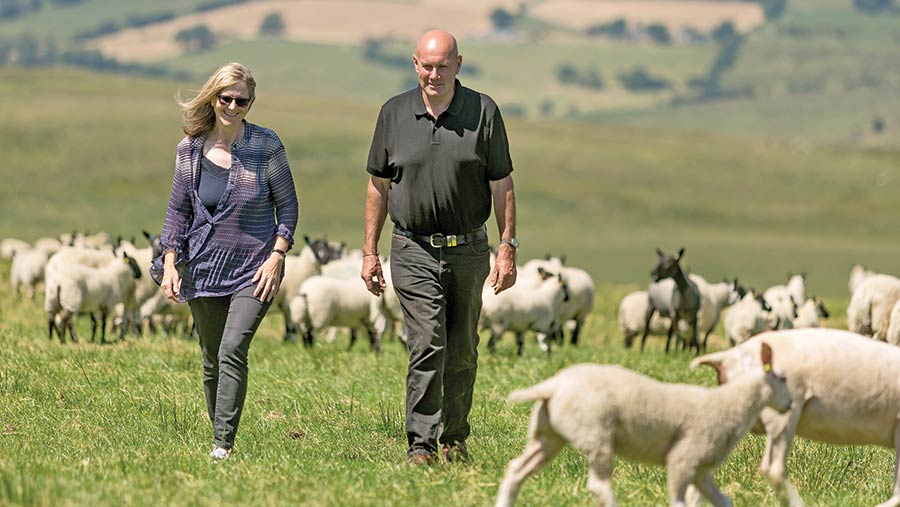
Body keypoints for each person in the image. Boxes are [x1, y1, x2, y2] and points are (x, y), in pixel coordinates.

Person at [360, 30, 518, 465]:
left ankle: (454, 438)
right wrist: (369, 251)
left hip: (469, 248)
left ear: (459, 64)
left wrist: (507, 246)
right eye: (427, 66)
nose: (434, 74)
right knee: (427, 342)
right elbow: (378, 184)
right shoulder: (393, 113)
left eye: (443, 66)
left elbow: (501, 182)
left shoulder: (484, 111)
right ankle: (422, 445)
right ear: (415, 64)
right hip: (412, 248)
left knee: (463, 348)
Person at [150, 62, 299, 460]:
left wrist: (277, 255)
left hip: (255, 269)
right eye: (225, 98)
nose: (233, 106)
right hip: (203, 267)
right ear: (213, 98)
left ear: (251, 103)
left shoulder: (265, 146)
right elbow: (178, 212)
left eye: (241, 100)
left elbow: (288, 207)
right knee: (212, 357)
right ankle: (218, 432)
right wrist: (169, 261)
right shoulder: (190, 150)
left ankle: (223, 445)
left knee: (233, 347)